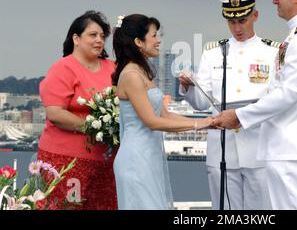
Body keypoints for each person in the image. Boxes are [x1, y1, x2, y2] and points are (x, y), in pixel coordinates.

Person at [214, 0, 297, 210]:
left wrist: (239, 116)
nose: (275, 1)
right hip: (287, 144)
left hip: (292, 145)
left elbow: (288, 93)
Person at [178, 0, 278, 210]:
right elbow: (203, 103)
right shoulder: (213, 53)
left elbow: (278, 100)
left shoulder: (273, 52)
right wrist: (188, 87)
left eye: (242, 20)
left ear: (255, 16)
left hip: (259, 147)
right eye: (231, 21)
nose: (237, 27)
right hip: (222, 149)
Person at [111, 14, 213, 210]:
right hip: (136, 158)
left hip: (149, 156)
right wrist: (200, 124)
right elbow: (152, 121)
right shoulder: (132, 75)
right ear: (139, 42)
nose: (158, 41)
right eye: (154, 36)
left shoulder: (142, 73)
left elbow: (164, 115)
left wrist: (208, 122)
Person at [38, 11, 118, 210]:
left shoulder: (113, 68)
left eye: (102, 36)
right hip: (65, 160)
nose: (99, 40)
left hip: (107, 163)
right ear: (76, 38)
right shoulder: (63, 69)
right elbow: (55, 113)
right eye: (93, 35)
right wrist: (96, 128)